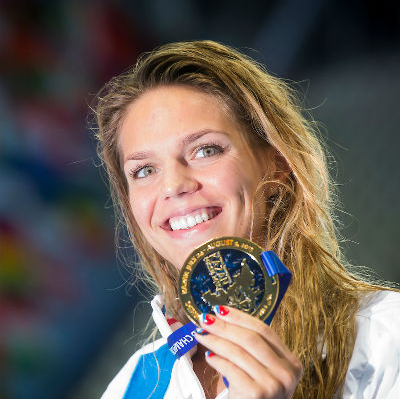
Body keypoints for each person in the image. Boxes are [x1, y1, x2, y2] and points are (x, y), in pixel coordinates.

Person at [94, 41, 400, 398]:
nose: (174, 185)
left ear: (277, 161)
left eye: (206, 150)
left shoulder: (386, 336)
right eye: (144, 170)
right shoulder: (133, 385)